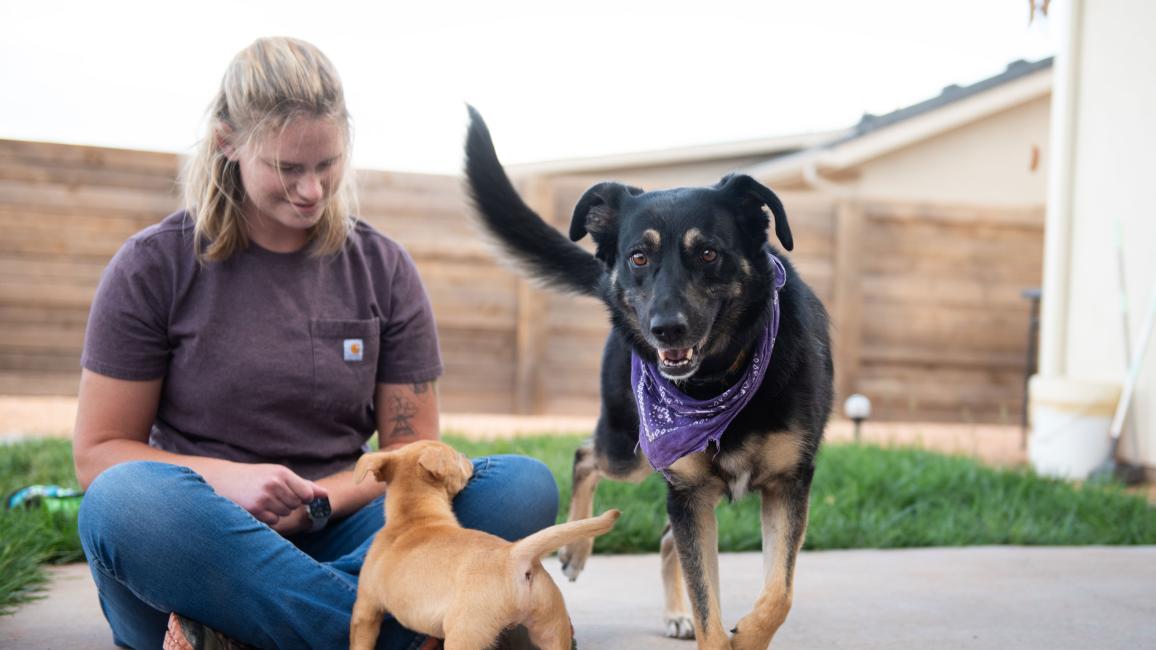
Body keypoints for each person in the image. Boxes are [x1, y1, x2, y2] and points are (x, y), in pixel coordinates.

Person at [73, 36, 558, 650]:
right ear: (227, 141)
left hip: (350, 529)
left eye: (327, 164)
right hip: (203, 546)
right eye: (287, 168)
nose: (312, 191)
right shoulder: (153, 265)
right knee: (123, 502)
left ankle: (241, 634)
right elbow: (99, 453)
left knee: (521, 487)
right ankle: (387, 629)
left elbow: (413, 453)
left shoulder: (382, 268)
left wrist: (321, 502)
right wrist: (232, 482)